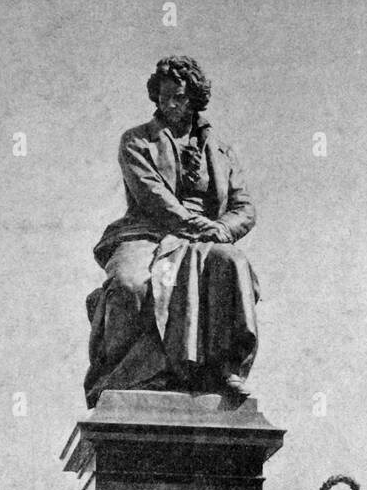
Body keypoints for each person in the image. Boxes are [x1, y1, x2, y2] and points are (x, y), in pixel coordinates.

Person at [85, 55, 259, 406]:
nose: (170, 104)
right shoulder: (136, 141)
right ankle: (119, 377)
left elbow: (245, 208)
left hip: (205, 239)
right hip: (147, 231)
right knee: (129, 285)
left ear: (194, 97)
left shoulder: (222, 151)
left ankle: (223, 369)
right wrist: (198, 226)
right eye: (164, 96)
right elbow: (153, 197)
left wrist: (221, 230)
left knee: (231, 263)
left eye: (178, 96)